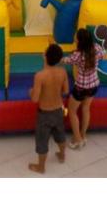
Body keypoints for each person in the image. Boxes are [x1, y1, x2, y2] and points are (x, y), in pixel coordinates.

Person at [28, 43, 69, 174]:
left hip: (44, 114)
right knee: (60, 135)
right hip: (59, 110)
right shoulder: (62, 72)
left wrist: (31, 92)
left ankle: (41, 167)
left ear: (45, 56)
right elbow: (66, 91)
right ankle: (62, 155)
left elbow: (35, 99)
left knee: (42, 141)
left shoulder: (40, 76)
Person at [63, 28, 103, 149]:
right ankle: (83, 135)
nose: (74, 37)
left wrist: (57, 55)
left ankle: (77, 139)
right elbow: (102, 55)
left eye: (76, 36)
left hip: (81, 87)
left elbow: (66, 60)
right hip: (94, 85)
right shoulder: (97, 48)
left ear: (80, 40)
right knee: (86, 109)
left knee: (72, 111)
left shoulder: (78, 55)